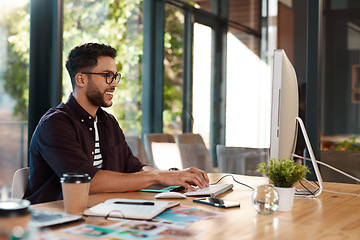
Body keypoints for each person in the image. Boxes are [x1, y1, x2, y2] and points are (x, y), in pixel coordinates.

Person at [24, 43, 209, 204]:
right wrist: (158, 176)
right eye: (106, 75)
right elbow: (88, 181)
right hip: (54, 217)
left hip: (100, 211)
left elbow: (133, 167)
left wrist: (174, 177)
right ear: (81, 79)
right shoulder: (55, 124)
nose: (113, 83)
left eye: (114, 76)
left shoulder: (108, 122)